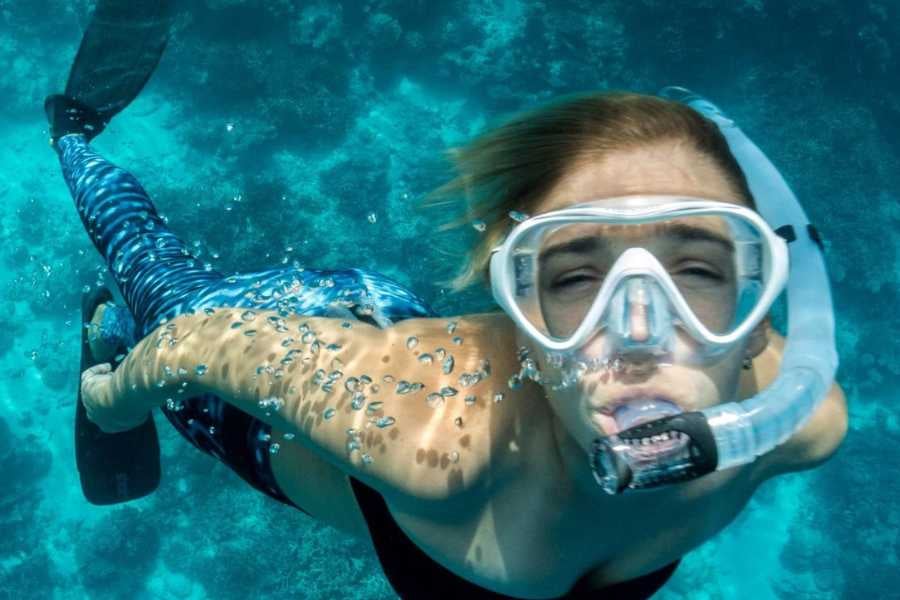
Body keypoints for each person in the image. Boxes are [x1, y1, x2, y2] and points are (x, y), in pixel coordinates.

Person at [57, 5, 847, 599]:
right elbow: (199, 344)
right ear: (520, 318)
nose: (639, 331)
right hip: (308, 359)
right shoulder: (431, 437)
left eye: (696, 272)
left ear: (758, 324)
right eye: (575, 277)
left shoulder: (798, 419)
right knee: (160, 292)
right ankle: (74, 136)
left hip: (388, 326)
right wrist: (111, 402)